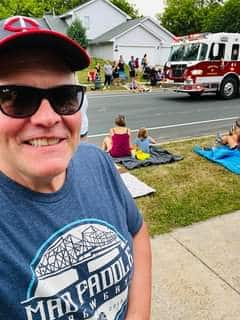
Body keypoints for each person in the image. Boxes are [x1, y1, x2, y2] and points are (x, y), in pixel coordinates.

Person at [0, 16, 151, 320]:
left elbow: (137, 231)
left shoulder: (96, 162)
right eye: (15, 98)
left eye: (64, 97)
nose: (47, 117)